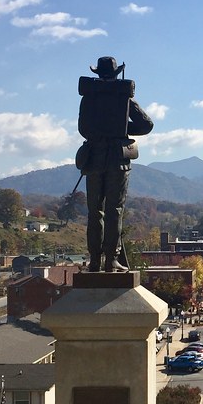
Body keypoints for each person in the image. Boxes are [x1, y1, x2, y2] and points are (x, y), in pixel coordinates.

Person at [76, 56, 154, 272]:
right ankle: (111, 259)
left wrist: (101, 132)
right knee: (114, 210)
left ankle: (94, 261)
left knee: (95, 212)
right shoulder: (123, 97)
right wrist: (121, 130)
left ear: (98, 73)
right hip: (117, 160)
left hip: (93, 159)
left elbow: (83, 128)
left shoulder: (89, 97)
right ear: (115, 72)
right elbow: (146, 125)